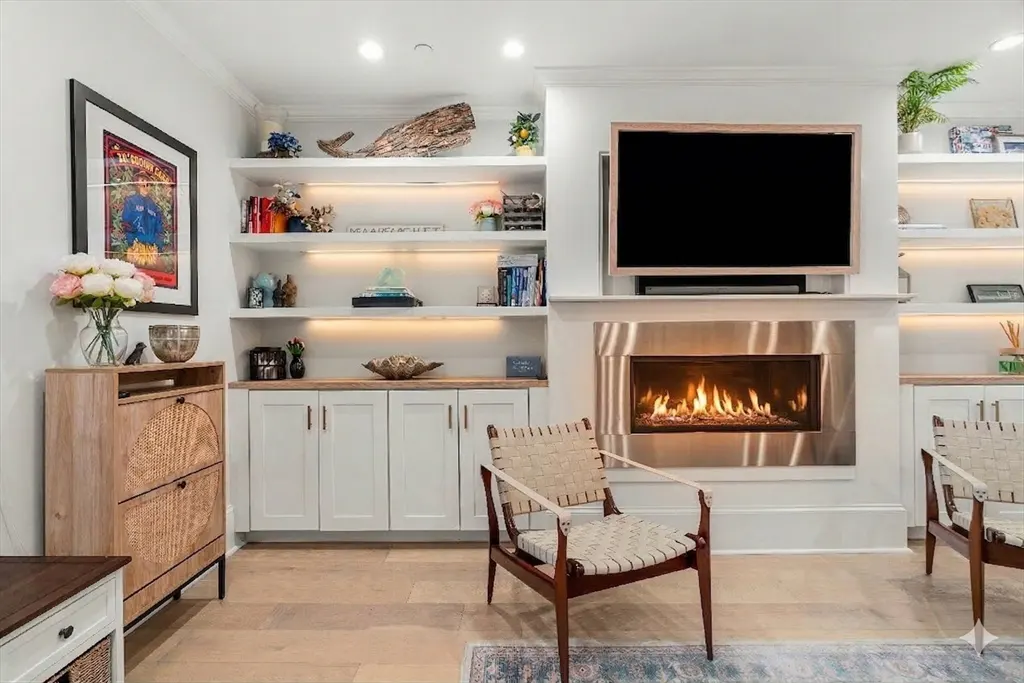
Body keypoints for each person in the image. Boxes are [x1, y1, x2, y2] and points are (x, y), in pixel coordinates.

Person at [120, 175, 164, 248]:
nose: (146, 187)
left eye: (148, 184)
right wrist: (132, 242)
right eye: (143, 182)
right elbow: (126, 223)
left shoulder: (154, 206)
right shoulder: (130, 201)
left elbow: (159, 228)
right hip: (135, 246)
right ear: (137, 185)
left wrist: (158, 245)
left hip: (151, 247)